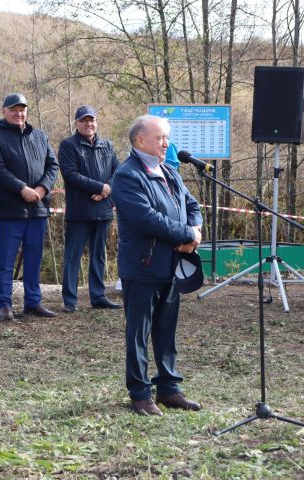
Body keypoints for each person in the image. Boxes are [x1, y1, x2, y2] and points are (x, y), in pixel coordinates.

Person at [112, 115, 203, 416]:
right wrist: (187, 233)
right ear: (140, 141)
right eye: (160, 137)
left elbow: (191, 205)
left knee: (166, 331)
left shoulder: (168, 170)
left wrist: (194, 232)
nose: (166, 143)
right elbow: (147, 219)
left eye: (167, 137)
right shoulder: (126, 176)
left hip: (171, 265)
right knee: (139, 332)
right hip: (142, 267)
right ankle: (140, 394)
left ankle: (169, 389)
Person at [0, 93, 60, 321]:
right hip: (10, 209)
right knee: (5, 261)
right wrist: (22, 189)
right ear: (4, 111)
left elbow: (53, 166)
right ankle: (4, 304)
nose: (19, 113)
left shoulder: (40, 136)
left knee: (34, 258)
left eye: (22, 109)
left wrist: (43, 189)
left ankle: (33, 302)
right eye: (14, 109)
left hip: (38, 208)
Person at [58, 105, 120, 313]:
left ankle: (98, 296)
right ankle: (70, 299)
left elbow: (117, 171)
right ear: (76, 123)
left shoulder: (107, 145)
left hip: (103, 208)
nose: (88, 124)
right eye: (84, 120)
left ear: (96, 122)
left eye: (91, 120)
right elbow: (70, 175)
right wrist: (99, 187)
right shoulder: (68, 146)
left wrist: (106, 190)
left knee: (98, 255)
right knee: (73, 256)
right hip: (79, 210)